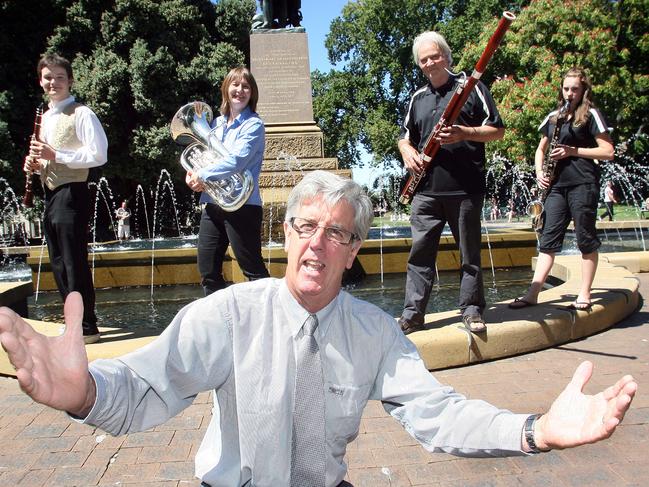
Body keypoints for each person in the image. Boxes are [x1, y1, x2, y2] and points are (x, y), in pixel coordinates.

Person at [0, 171, 638, 487]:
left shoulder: (375, 334)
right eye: (305, 226)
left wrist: (536, 431)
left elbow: (438, 415)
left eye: (336, 233)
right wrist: (83, 394)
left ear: (355, 247)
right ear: (284, 235)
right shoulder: (229, 315)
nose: (316, 245)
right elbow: (147, 387)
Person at [397, 31, 505, 335]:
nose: (430, 63)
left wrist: (464, 133)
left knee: (469, 255)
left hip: (465, 189)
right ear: (419, 64)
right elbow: (405, 137)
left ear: (446, 55)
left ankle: (471, 310)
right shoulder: (418, 98)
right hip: (425, 191)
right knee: (419, 255)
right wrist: (407, 151)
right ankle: (413, 314)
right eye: (424, 60)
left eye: (435, 56)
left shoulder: (472, 88)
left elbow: (497, 130)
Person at [509, 67, 614, 311]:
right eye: (566, 88)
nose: (569, 93)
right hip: (556, 186)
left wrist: (573, 151)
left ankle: (585, 293)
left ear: (583, 90)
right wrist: (539, 174)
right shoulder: (555, 116)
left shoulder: (591, 115)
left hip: (583, 184)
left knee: (585, 239)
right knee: (548, 239)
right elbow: (540, 149)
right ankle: (533, 293)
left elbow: (608, 152)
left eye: (574, 89)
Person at [23, 53, 108, 344]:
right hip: (51, 194)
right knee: (58, 262)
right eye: (48, 77)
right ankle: (74, 323)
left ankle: (87, 327)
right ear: (40, 81)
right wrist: (34, 165)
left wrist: (55, 155)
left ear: (70, 80)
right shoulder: (45, 117)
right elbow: (45, 159)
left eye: (60, 77)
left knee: (74, 261)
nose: (54, 82)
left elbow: (98, 154)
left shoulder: (82, 113)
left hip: (73, 193)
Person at [185, 67, 269, 295]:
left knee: (252, 270)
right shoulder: (215, 124)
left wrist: (202, 174)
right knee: (208, 270)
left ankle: (274, 318)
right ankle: (221, 323)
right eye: (235, 85)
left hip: (243, 205)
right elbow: (202, 157)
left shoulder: (253, 124)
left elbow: (237, 160)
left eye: (245, 86)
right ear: (226, 89)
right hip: (213, 203)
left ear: (252, 93)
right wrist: (192, 175)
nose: (239, 90)